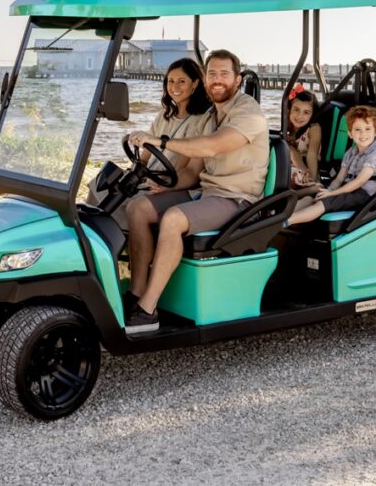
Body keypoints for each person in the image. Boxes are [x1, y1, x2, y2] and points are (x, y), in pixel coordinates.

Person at [123, 49, 269, 333]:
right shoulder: (210, 116)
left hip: (237, 199)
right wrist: (164, 186)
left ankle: (147, 310)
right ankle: (136, 293)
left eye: (224, 74)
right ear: (204, 79)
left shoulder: (247, 111)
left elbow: (211, 146)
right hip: (206, 193)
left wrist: (160, 142)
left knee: (173, 219)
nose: (217, 80)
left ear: (237, 80)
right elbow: (191, 172)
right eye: (211, 73)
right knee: (138, 208)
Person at [86, 58, 210, 227]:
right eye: (171, 81)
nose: (175, 87)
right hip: (148, 177)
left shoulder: (201, 121)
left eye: (182, 81)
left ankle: (111, 237)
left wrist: (165, 185)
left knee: (128, 204)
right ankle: (95, 237)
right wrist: (133, 172)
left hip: (171, 183)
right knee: (101, 183)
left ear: (195, 84)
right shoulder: (165, 115)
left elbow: (188, 171)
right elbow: (145, 157)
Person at [286, 105, 376, 226]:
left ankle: (285, 222)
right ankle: (281, 216)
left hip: (366, 195)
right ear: (350, 133)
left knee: (325, 201)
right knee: (314, 194)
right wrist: (329, 189)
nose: (363, 134)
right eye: (358, 129)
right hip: (348, 188)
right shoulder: (351, 152)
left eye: (368, 129)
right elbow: (339, 178)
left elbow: (359, 182)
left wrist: (332, 194)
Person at [285, 84, 322, 188]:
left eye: (306, 112)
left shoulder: (314, 129)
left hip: (307, 170)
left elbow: (312, 155)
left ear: (312, 114)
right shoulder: (287, 127)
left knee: (290, 148)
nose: (300, 116)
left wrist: (311, 178)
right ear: (289, 110)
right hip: (289, 168)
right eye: (296, 109)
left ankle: (311, 189)